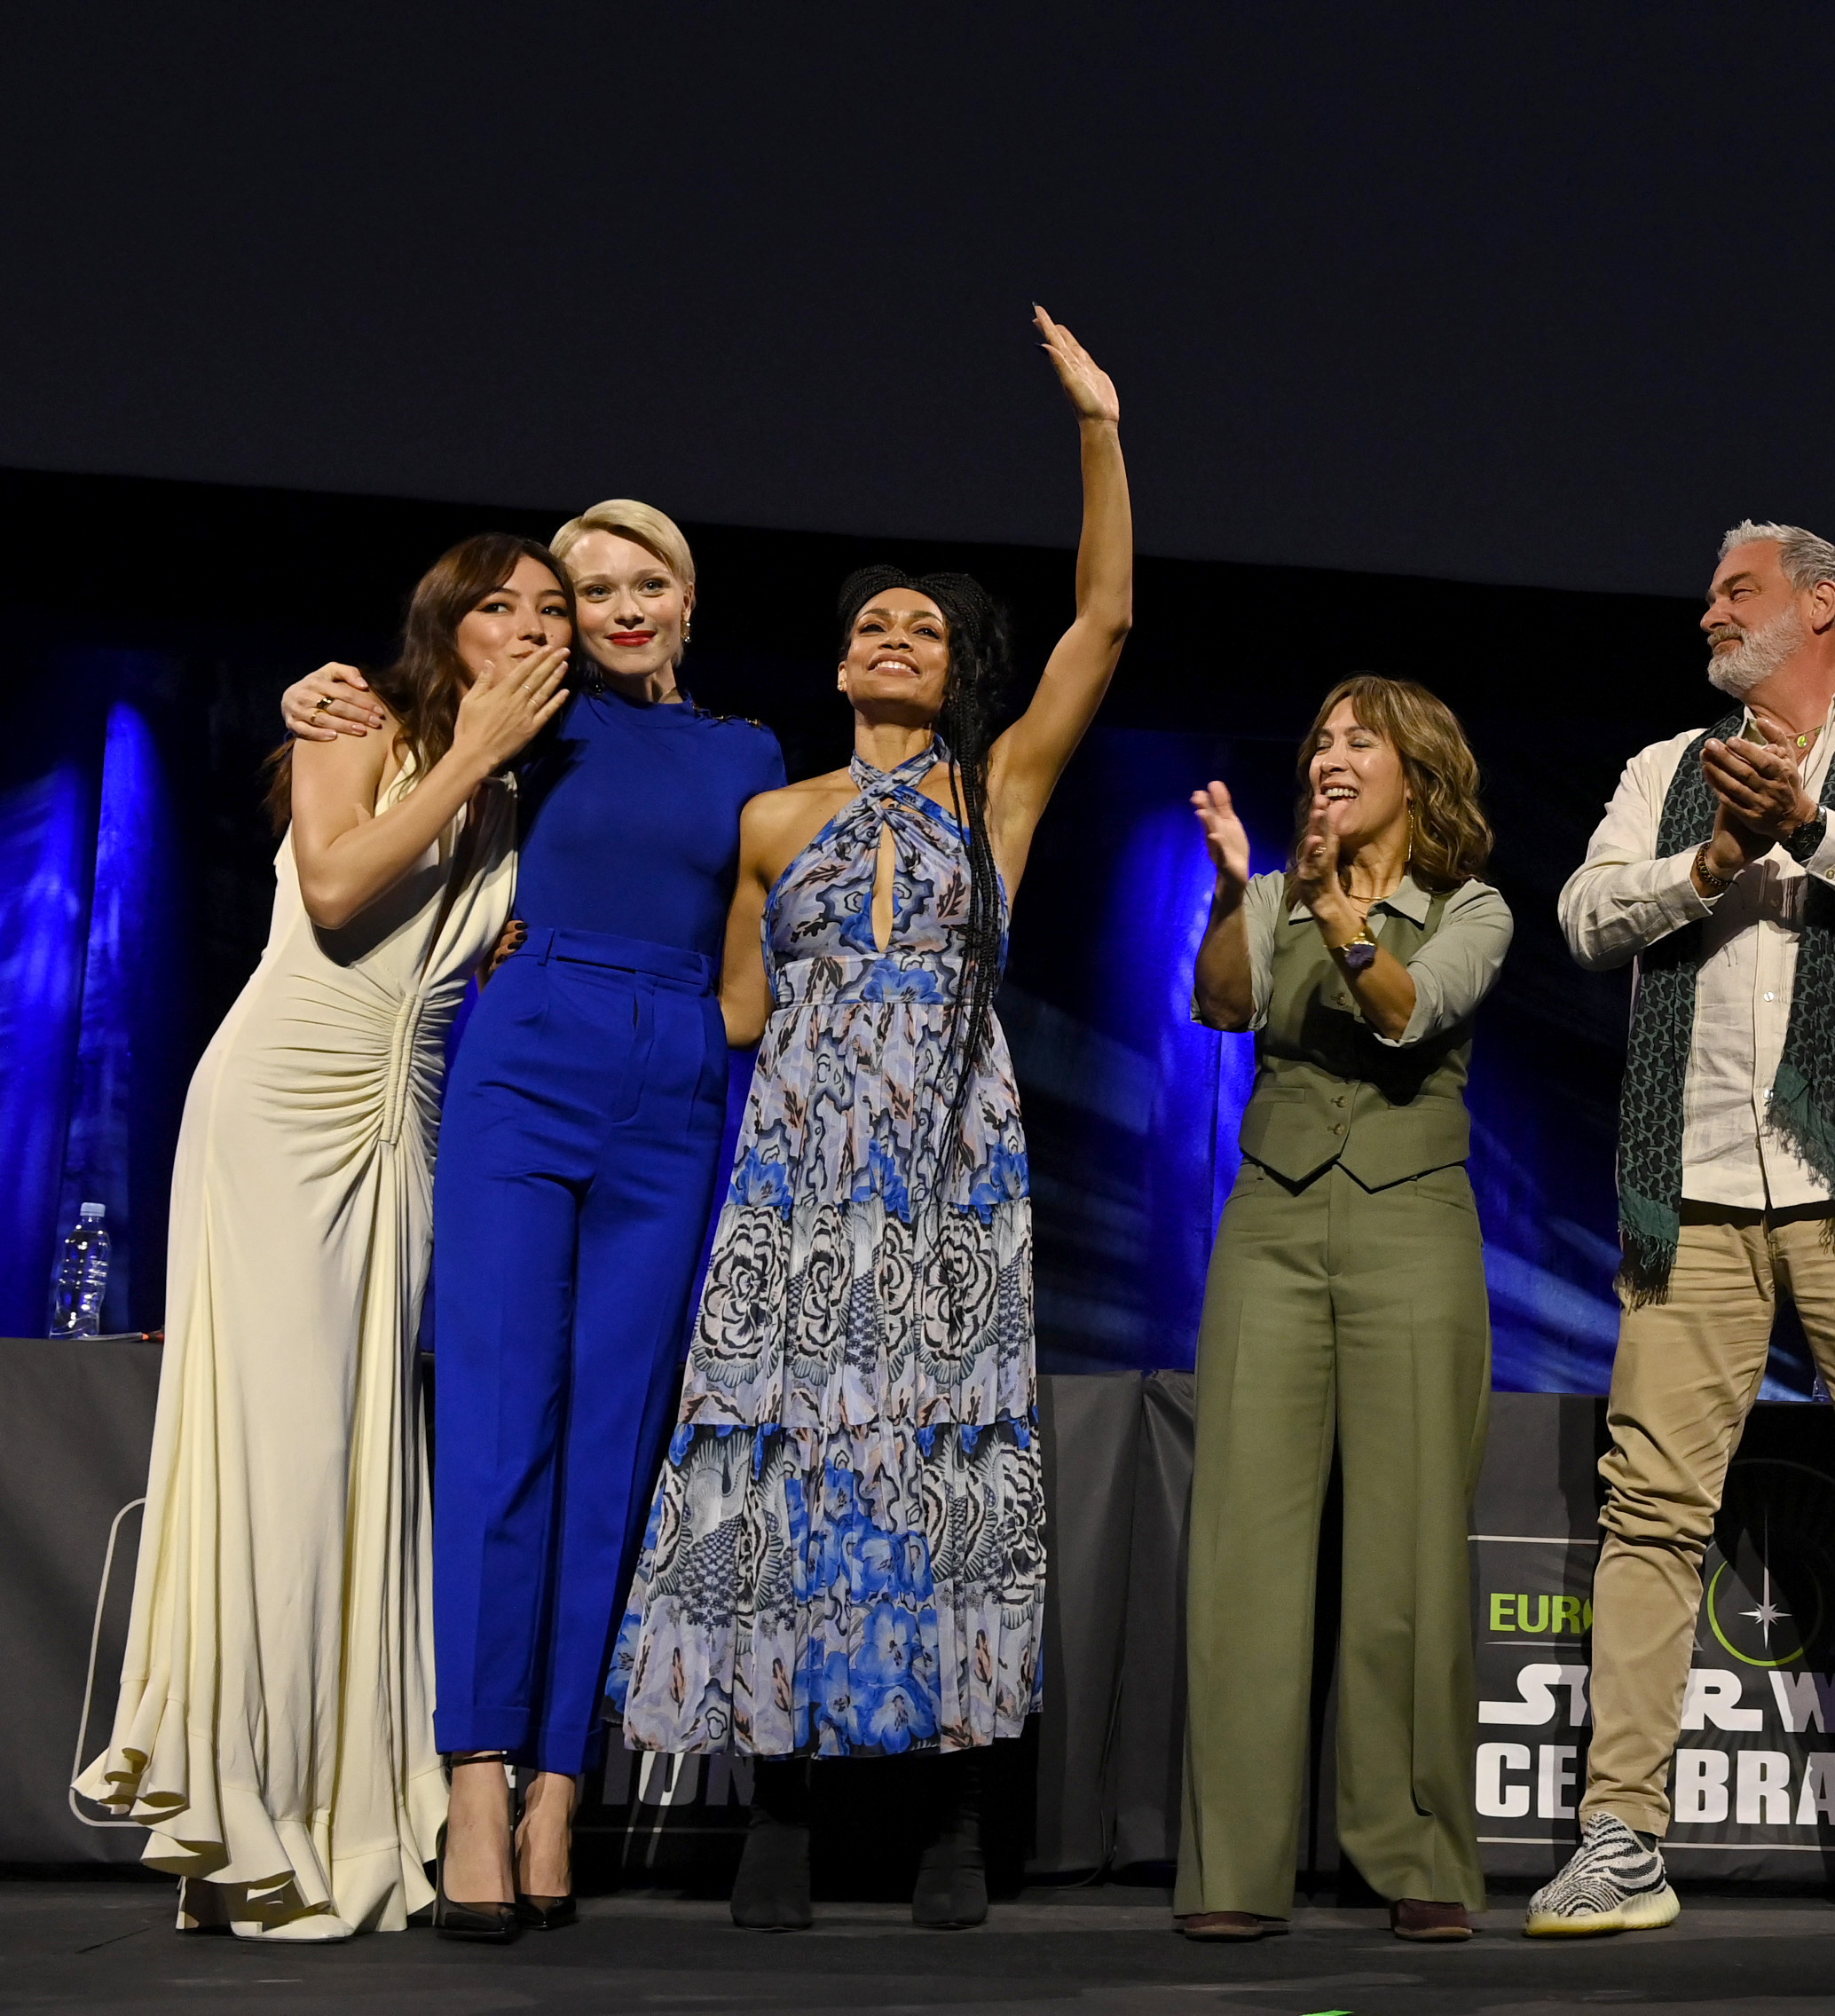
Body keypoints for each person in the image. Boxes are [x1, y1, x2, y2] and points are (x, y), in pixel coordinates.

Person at [606, 311, 1129, 1933]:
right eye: (870, 624)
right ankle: (779, 1801)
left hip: (948, 1180)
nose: (896, 635)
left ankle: (952, 1822)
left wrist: (1099, 428)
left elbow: (1101, 621)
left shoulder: (999, 793)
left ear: (952, 667)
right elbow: (740, 1011)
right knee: (780, 1474)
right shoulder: (770, 817)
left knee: (940, 1475)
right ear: (837, 666)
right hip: (796, 1179)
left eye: (923, 625)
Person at [284, 490, 785, 1936]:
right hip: (529, 1051)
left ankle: (566, 1782)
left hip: (677, 1070)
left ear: (689, 602)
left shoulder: (747, 754)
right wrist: (313, 690)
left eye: (649, 584)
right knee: (502, 1422)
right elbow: (380, 719)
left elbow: (751, 966)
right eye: (589, 589)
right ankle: (479, 1784)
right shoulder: (524, 716)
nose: (620, 608)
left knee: (616, 1441)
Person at [75, 536, 572, 1937]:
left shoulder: (535, 781)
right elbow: (343, 889)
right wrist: (467, 752)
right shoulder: (362, 720)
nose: (529, 626)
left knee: (367, 1462)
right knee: (285, 1455)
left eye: (551, 610)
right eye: (498, 606)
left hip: (404, 1120)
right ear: (446, 626)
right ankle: (249, 1819)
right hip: (287, 1097)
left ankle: (349, 1807)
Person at [1533, 523, 1835, 1949]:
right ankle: (1620, 1840)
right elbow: (1582, 918)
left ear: (1820, 607)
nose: (1704, 610)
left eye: (1733, 590)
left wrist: (1806, 826)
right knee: (1652, 1512)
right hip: (1687, 1184)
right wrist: (1712, 858)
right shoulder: (1659, 772)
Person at [1173, 677, 1511, 1944]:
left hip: (1410, 1233)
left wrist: (1332, 907)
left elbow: (1408, 1015)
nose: (1330, 755)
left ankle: (1416, 1856)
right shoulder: (1270, 897)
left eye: (1360, 740)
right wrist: (1232, 894)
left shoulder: (1467, 907)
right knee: (1243, 1556)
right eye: (1319, 737)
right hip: (1270, 1224)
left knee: (1404, 1558)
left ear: (1414, 776)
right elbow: (1220, 1004)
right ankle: (1231, 1867)